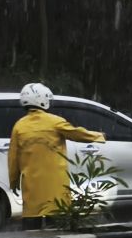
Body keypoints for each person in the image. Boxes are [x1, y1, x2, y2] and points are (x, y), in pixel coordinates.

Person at [7, 83, 106, 228]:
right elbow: (76, 133)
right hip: (55, 185)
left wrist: (13, 181)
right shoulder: (54, 121)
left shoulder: (19, 126)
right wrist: (98, 136)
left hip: (32, 187)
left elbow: (13, 158)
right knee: (58, 226)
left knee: (31, 227)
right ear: (42, 100)